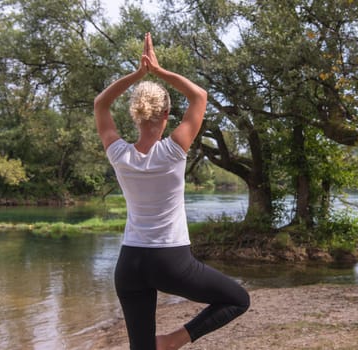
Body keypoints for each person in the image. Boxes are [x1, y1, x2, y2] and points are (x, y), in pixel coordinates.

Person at [94, 32, 250, 350]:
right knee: (237, 299)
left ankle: (159, 345)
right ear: (167, 116)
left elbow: (101, 103)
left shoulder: (119, 154)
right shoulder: (173, 151)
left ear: (135, 115)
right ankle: (172, 341)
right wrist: (159, 71)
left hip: (129, 264)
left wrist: (138, 74)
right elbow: (199, 96)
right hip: (170, 262)